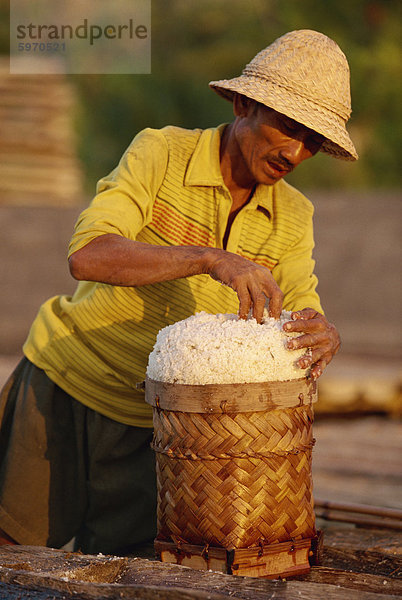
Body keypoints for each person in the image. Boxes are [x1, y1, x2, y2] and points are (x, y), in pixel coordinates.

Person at [0, 29, 357, 554]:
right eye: (288, 126)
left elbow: (301, 310)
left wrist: (321, 334)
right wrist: (209, 257)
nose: (296, 151)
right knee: (12, 552)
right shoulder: (161, 152)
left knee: (121, 574)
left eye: (313, 141)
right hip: (64, 387)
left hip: (164, 426)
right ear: (243, 104)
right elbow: (87, 254)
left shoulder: (294, 216)